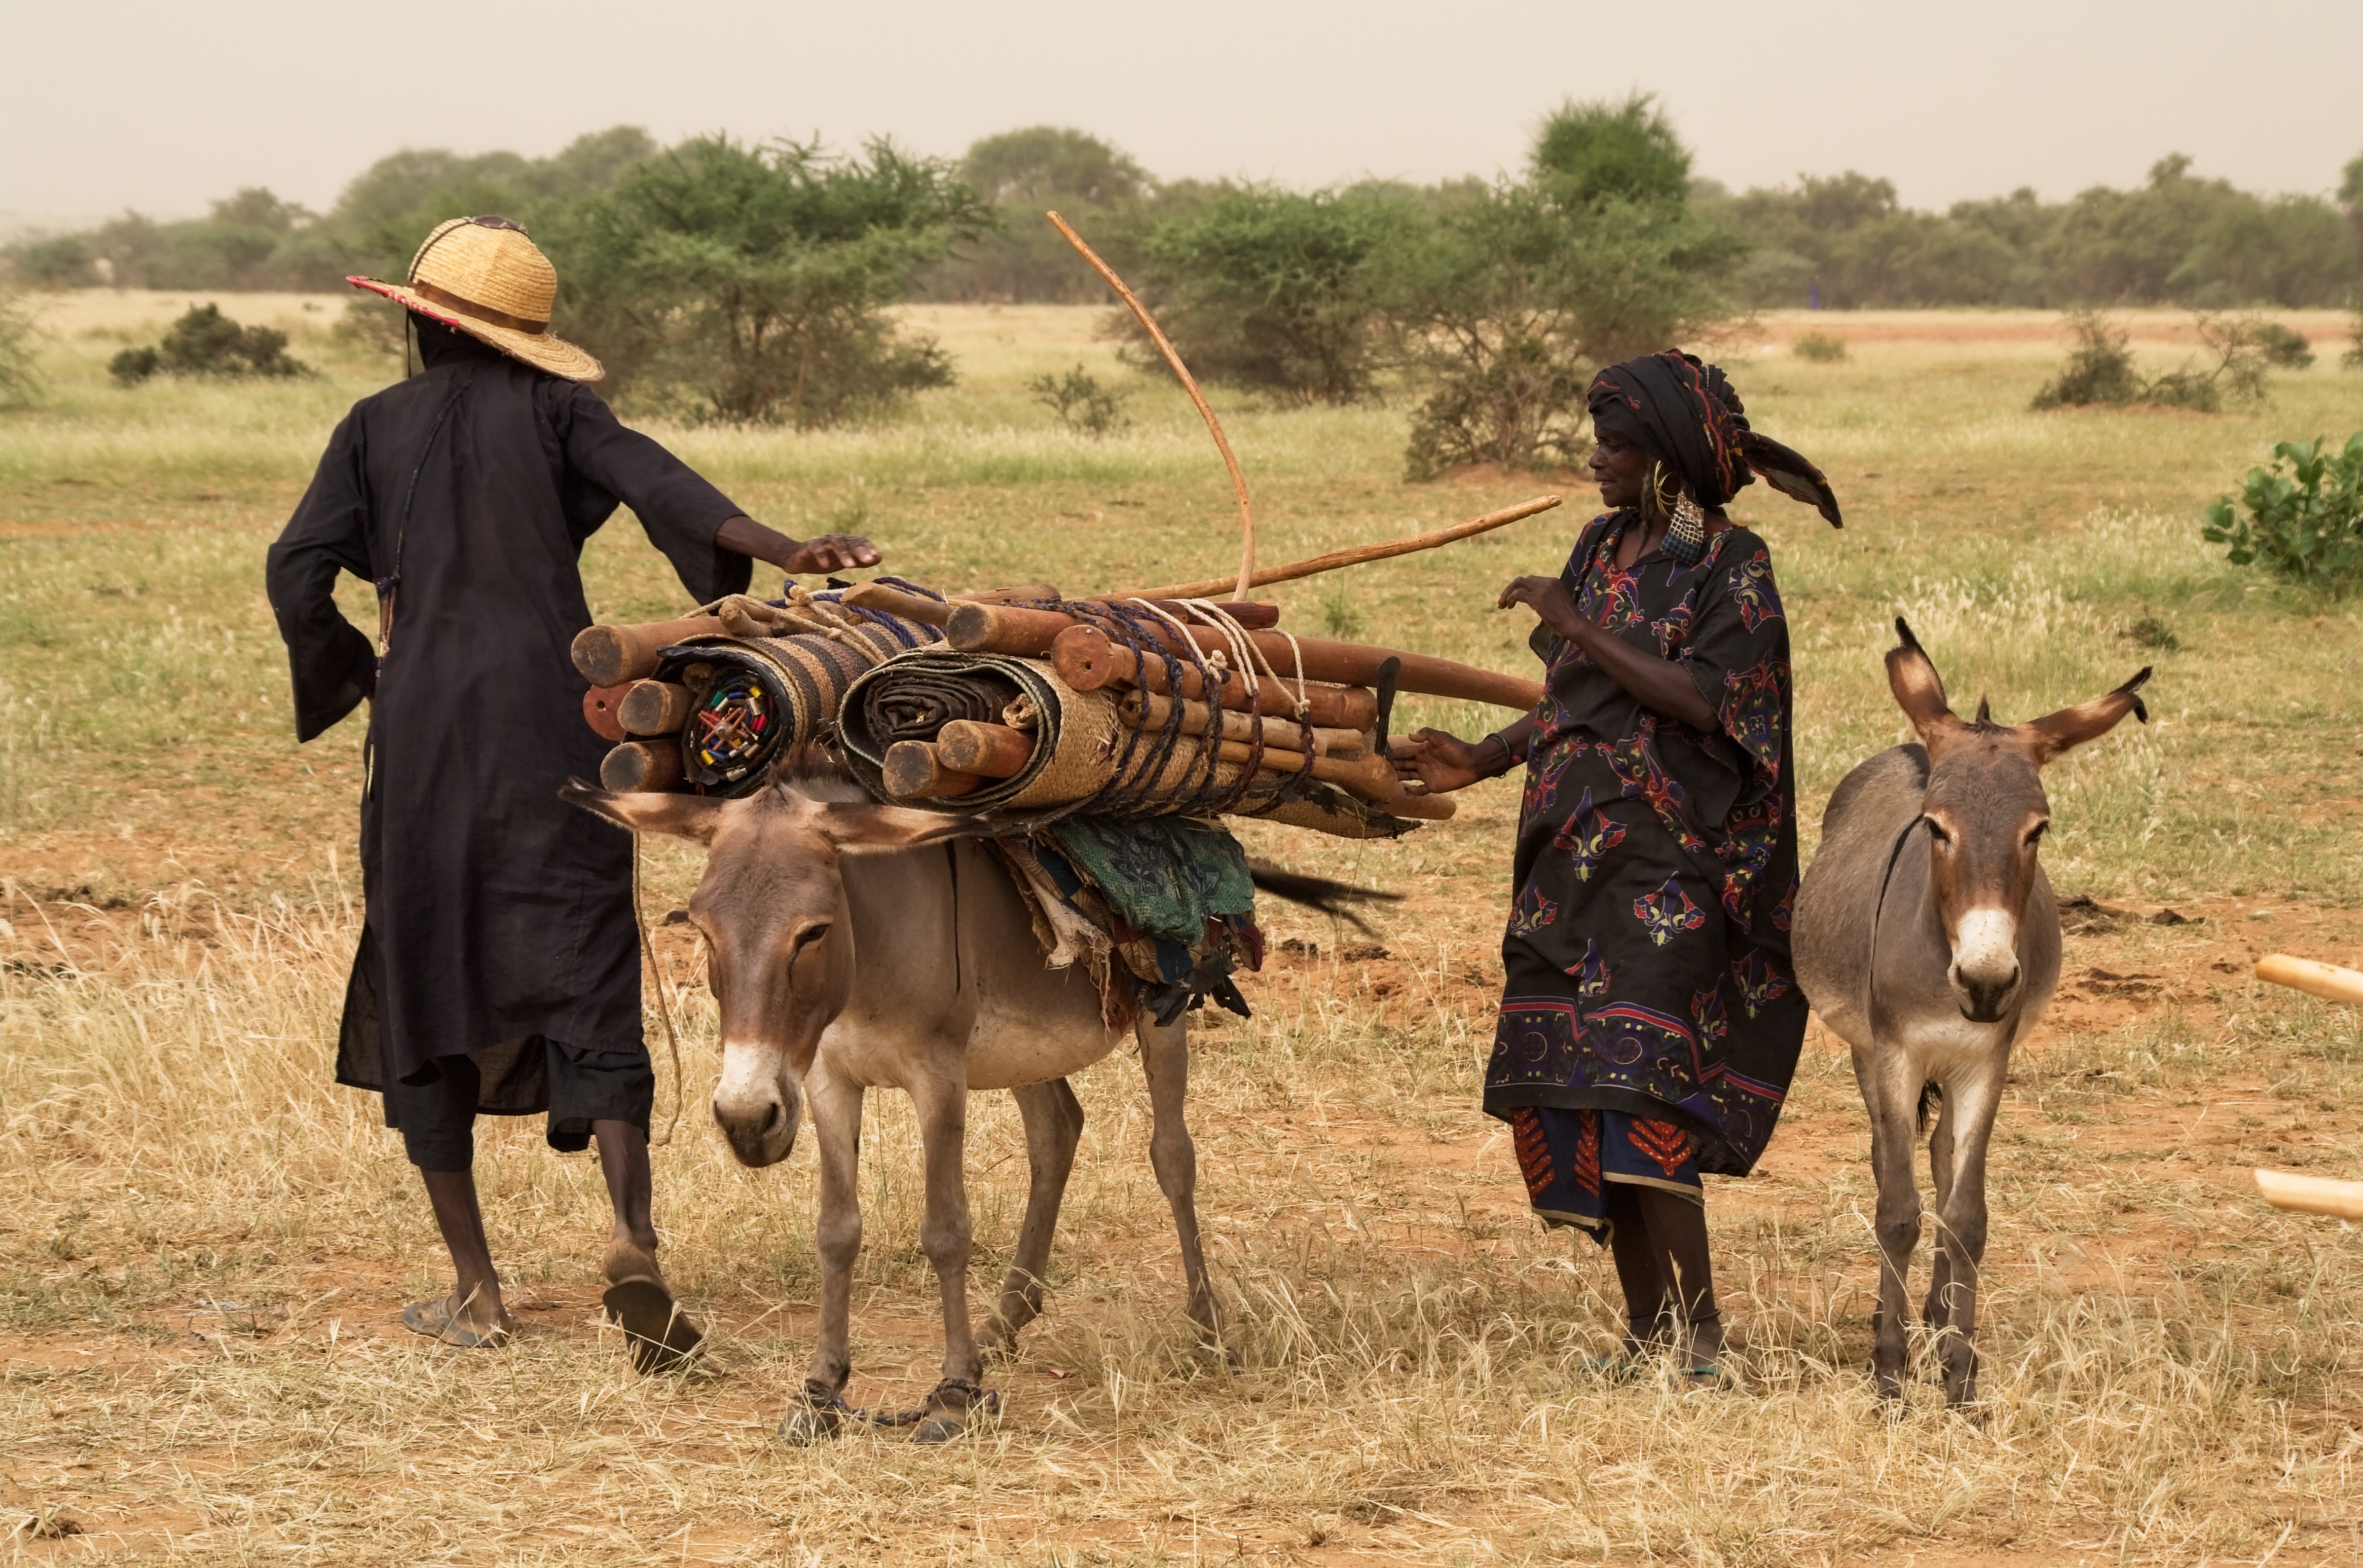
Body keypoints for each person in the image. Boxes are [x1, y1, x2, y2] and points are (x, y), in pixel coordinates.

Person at [266, 215, 879, 1367]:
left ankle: (479, 1291)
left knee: (425, 964)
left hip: (425, 740)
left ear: (420, 324)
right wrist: (789, 549)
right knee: (586, 959)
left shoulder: (369, 428)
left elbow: (295, 568)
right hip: (559, 718)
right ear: (528, 341)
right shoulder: (560, 413)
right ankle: (632, 1239)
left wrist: (358, 673)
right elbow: (664, 486)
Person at [1392, 350, 1841, 1381]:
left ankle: (1704, 1342)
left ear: (1669, 458)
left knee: (1646, 1091)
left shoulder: (1733, 564)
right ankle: (1646, 1335)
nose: (1595, 458)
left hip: (1673, 870)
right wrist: (1480, 755)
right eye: (1597, 438)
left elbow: (1704, 701)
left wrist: (1573, 619)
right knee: (1586, 1093)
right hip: (1569, 865)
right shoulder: (1605, 544)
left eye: (1618, 443)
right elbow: (1573, 700)